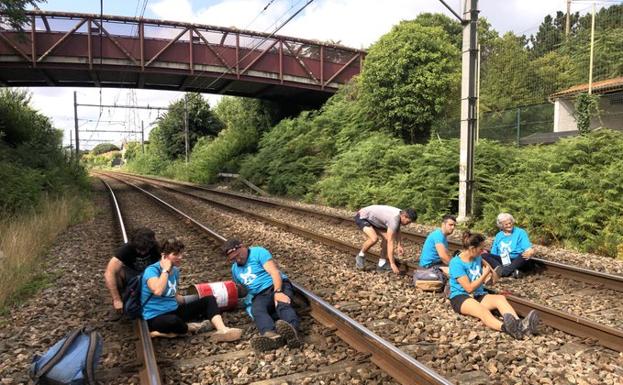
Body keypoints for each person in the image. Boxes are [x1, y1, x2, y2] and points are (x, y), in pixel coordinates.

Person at [142, 237, 243, 341]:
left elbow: (175, 296)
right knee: (173, 321)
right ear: (164, 256)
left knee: (209, 299)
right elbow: (157, 291)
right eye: (176, 254)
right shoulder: (151, 271)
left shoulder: (175, 270)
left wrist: (197, 299)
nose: (180, 257)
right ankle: (192, 328)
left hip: (174, 310)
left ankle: (222, 330)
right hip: (155, 317)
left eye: (181, 253)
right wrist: (165, 270)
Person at [448, 231, 539, 340]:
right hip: (461, 297)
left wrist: (492, 275)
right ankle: (507, 328)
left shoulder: (478, 257)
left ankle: (521, 325)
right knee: (482, 310)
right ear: (472, 248)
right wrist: (484, 275)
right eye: (481, 249)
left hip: (478, 294)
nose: (483, 251)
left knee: (500, 298)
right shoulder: (456, 263)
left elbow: (493, 278)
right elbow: (469, 288)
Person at [222, 239, 301, 352]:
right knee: (257, 310)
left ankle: (293, 332)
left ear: (243, 246)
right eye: (233, 259)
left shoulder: (258, 252)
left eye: (238, 255)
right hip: (260, 295)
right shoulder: (235, 269)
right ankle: (271, 336)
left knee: (281, 304)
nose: (237, 259)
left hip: (275, 285)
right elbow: (242, 288)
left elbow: (274, 273)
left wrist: (278, 292)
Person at [105, 227, 160, 313]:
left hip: (150, 276)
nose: (142, 253)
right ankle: (123, 296)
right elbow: (109, 272)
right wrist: (116, 299)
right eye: (139, 250)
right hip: (132, 277)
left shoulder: (156, 247)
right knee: (116, 272)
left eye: (145, 250)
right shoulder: (127, 249)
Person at [354, 205, 417, 274]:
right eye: (408, 222)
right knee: (374, 238)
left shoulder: (400, 214)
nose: (408, 224)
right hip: (363, 217)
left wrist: (399, 245)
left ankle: (381, 264)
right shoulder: (394, 218)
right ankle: (360, 255)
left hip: (374, 220)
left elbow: (397, 229)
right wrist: (392, 263)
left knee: (386, 238)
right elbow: (391, 243)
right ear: (404, 216)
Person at [482, 213, 535, 279]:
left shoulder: (520, 232)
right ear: (501, 225)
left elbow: (528, 248)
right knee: (484, 255)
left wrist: (530, 252)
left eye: (510, 223)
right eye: (506, 224)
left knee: (523, 255)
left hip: (516, 260)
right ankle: (510, 271)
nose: (509, 225)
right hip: (503, 260)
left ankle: (504, 272)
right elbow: (494, 253)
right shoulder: (498, 235)